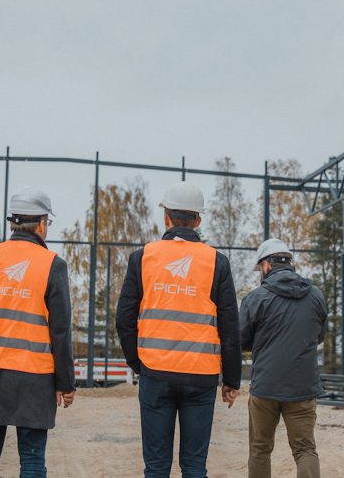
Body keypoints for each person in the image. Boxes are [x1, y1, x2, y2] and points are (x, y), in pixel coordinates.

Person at [116, 180, 242, 478]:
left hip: (155, 373)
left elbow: (124, 319)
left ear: (166, 217)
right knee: (194, 465)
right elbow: (229, 326)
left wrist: (138, 364)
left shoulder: (143, 257)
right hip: (201, 377)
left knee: (157, 467)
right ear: (198, 220)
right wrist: (232, 379)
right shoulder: (217, 262)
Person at [0, 187, 76, 478]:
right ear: (41, 224)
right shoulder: (53, 265)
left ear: (14, 223)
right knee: (33, 462)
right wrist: (65, 383)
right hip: (34, 378)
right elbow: (60, 331)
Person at [239, 238, 327, 478]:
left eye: (260, 268)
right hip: (303, 387)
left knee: (259, 450)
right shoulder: (315, 296)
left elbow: (242, 341)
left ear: (266, 265)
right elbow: (318, 336)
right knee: (305, 449)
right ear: (289, 262)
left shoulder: (255, 298)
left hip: (265, 386)